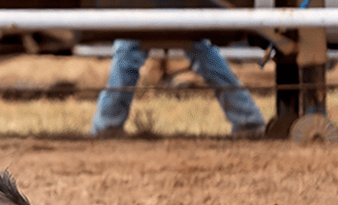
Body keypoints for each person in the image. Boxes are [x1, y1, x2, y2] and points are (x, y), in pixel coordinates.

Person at [90, 39, 267, 138]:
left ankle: (108, 124)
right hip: (186, 4)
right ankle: (248, 120)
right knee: (201, 48)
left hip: (140, 5)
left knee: (128, 47)